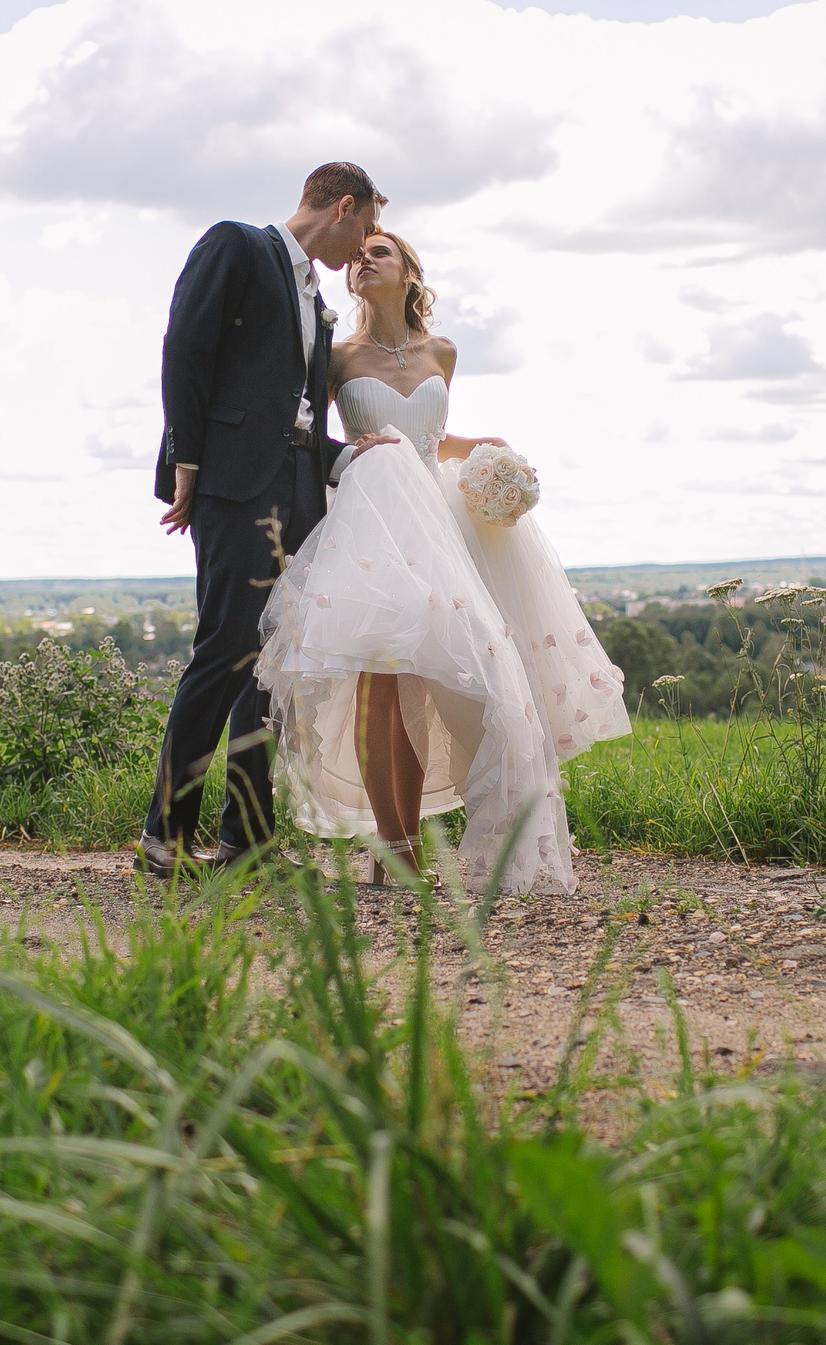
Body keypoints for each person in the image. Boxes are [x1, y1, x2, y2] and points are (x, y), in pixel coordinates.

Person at [254, 228, 630, 896]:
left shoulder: (442, 352)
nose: (363, 260)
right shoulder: (336, 356)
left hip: (435, 524)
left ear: (409, 272)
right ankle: (392, 850)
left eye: (380, 252)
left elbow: (430, 435)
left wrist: (484, 447)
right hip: (371, 524)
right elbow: (310, 434)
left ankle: (426, 846)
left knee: (425, 684)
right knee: (378, 683)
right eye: (359, 254)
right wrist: (349, 457)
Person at [140, 163, 385, 878]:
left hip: (300, 491)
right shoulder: (238, 246)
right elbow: (186, 348)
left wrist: (351, 457)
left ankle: (245, 842)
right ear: (342, 207)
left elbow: (294, 414)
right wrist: (186, 461)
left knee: (273, 667)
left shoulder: (316, 299)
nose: (362, 248)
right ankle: (164, 836)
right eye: (366, 229)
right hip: (234, 486)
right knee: (226, 650)